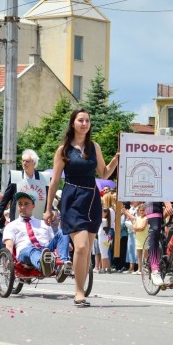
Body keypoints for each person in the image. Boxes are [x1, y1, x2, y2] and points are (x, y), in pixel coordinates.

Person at [43, 109, 119, 307]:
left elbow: (103, 173)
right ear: (73, 123)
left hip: (92, 198)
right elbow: (55, 181)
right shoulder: (63, 150)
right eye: (80, 120)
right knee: (82, 246)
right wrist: (48, 208)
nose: (84, 123)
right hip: (72, 197)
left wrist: (116, 159)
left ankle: (81, 289)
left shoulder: (94, 146)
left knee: (87, 250)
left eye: (87, 120)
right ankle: (78, 292)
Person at [3, 192, 70, 278]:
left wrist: (65, 243)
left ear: (33, 206)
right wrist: (8, 258)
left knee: (63, 232)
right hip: (25, 252)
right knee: (32, 250)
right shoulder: (11, 225)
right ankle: (43, 266)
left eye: (26, 204)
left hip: (45, 251)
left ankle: (62, 264)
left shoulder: (44, 223)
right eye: (20, 204)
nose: (22, 207)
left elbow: (55, 242)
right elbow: (9, 245)